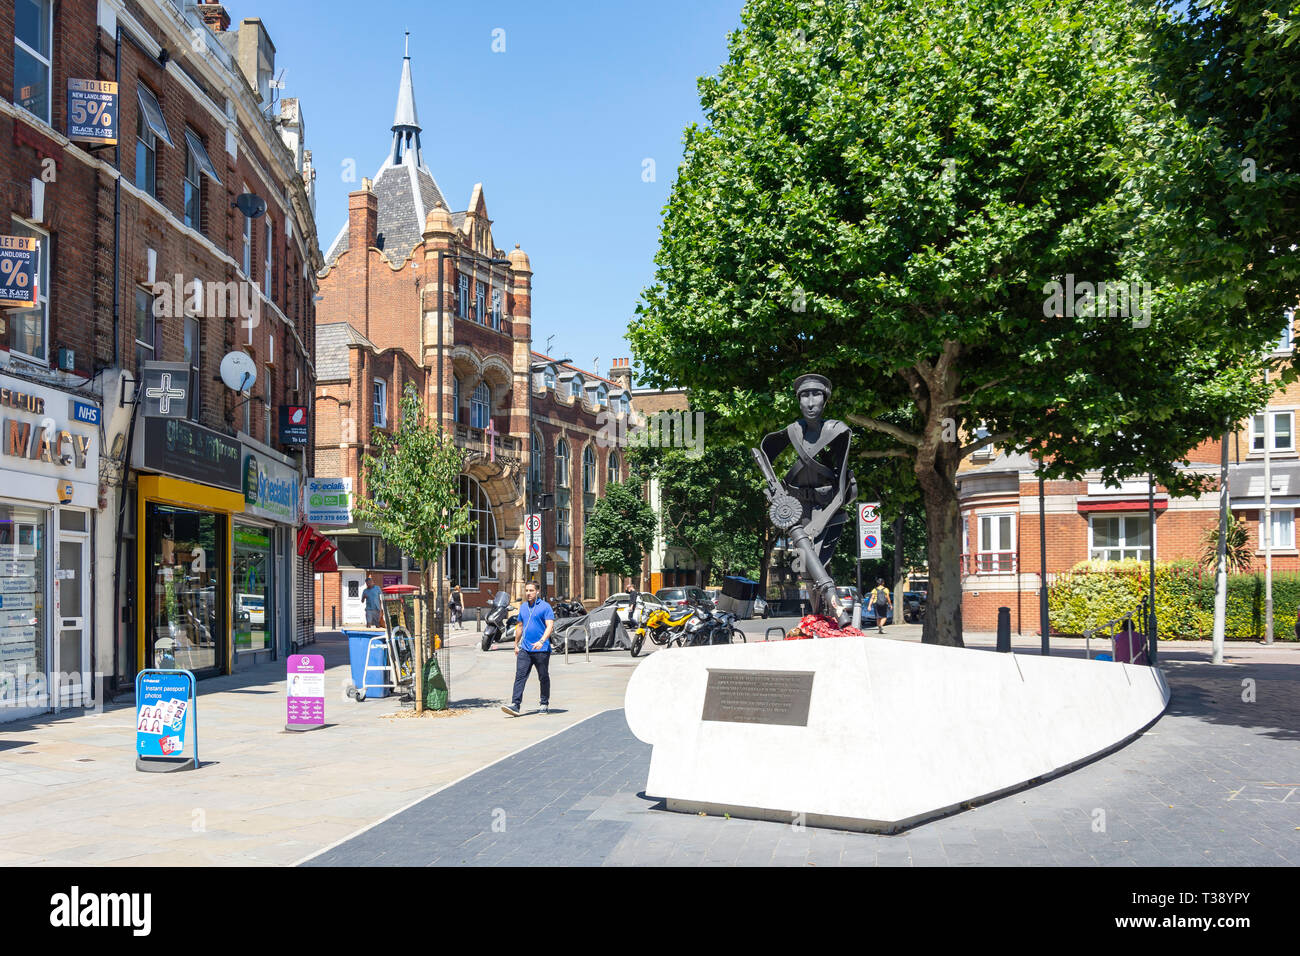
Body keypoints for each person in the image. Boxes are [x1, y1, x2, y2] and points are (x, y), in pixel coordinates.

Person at [502, 581, 555, 717]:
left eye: (531, 590)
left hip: (541, 649)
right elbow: (520, 626)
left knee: (543, 676)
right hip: (525, 649)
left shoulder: (545, 607)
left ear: (537, 591)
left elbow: (550, 626)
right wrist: (516, 644)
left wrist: (541, 641)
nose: (528, 593)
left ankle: (544, 703)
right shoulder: (524, 607)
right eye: (526, 590)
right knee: (520, 676)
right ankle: (515, 705)